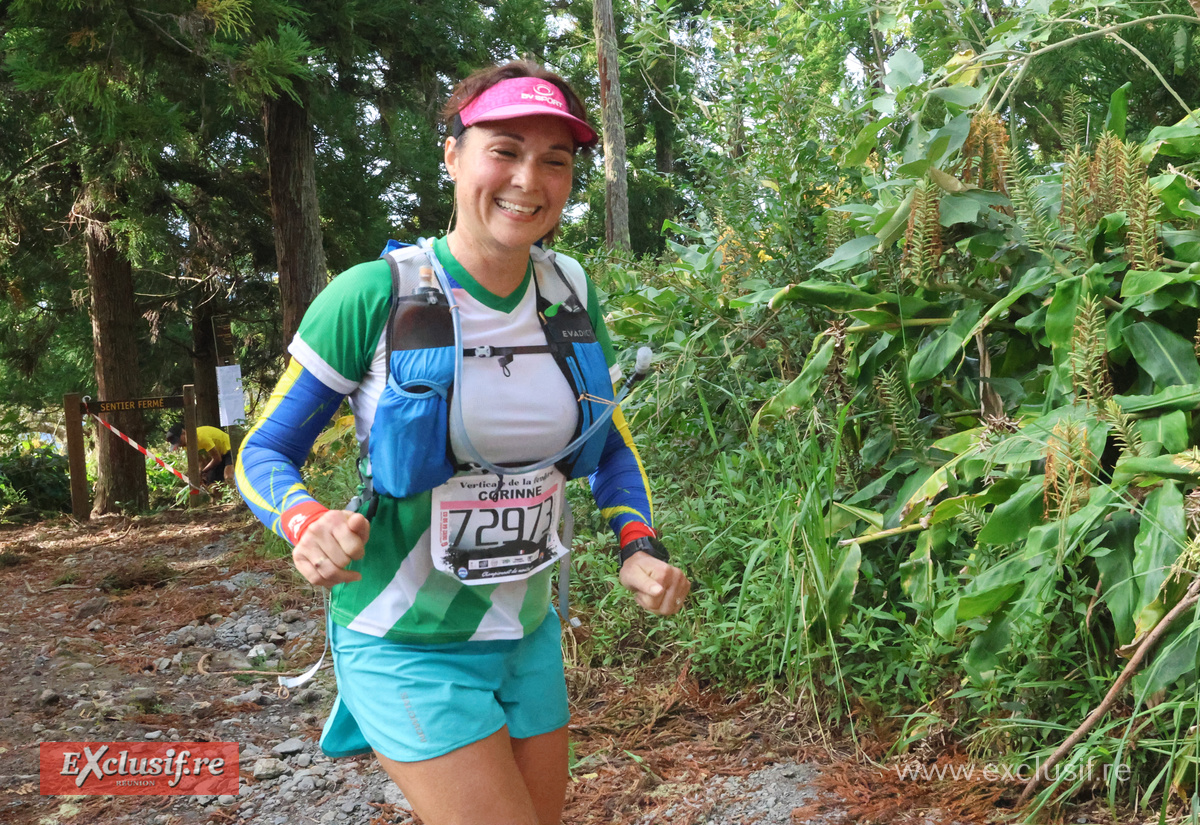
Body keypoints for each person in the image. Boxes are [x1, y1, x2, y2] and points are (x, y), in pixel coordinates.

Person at [236, 60, 689, 825]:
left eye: (556, 159)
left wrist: (638, 542)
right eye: (504, 149)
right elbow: (262, 452)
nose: (529, 179)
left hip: (525, 634)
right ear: (452, 156)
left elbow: (607, 443)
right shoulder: (374, 295)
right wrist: (304, 520)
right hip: (403, 637)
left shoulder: (568, 290)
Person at [166, 422, 232, 485]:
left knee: (229, 477)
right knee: (213, 486)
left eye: (179, 442)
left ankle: (235, 494)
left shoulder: (201, 438)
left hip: (230, 449)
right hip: (219, 455)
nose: (180, 445)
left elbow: (217, 459)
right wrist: (198, 474)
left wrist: (203, 472)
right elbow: (201, 462)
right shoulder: (186, 445)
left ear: (184, 433)